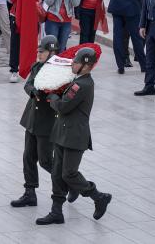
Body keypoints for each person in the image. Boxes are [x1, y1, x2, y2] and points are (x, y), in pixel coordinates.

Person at [37, 47, 112, 224]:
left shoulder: (83, 84)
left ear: (86, 66)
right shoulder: (76, 80)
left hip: (74, 136)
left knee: (69, 174)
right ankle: (56, 212)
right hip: (63, 133)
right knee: (57, 173)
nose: (73, 64)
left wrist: (53, 96)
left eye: (76, 62)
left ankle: (98, 196)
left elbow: (63, 106)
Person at [12, 35, 60, 207]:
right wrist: (35, 91)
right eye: (39, 51)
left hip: (47, 121)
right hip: (32, 118)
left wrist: (51, 93)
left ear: (52, 52)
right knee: (28, 157)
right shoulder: (37, 66)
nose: (39, 54)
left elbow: (60, 95)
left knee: (46, 160)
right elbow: (28, 85)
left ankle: (69, 181)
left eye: (43, 51)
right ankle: (29, 192)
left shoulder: (61, 71)